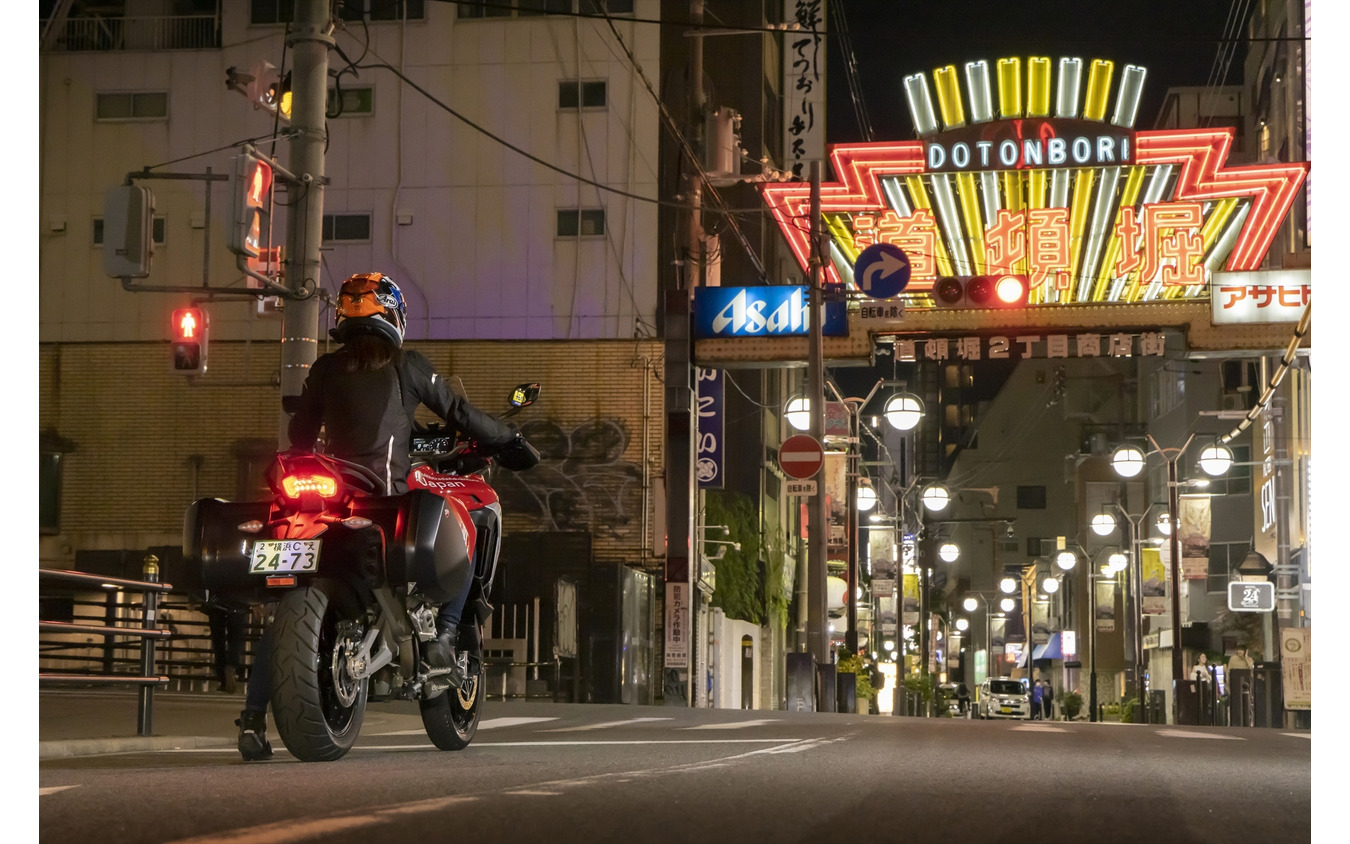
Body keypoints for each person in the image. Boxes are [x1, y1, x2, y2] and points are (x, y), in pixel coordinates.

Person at [234, 272, 527, 761]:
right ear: (392, 315)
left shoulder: (324, 369)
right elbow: (458, 411)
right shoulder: (405, 366)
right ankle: (444, 636)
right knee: (458, 532)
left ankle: (250, 721)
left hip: (327, 497)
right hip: (383, 499)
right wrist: (507, 438)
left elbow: (301, 434)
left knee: (284, 607)